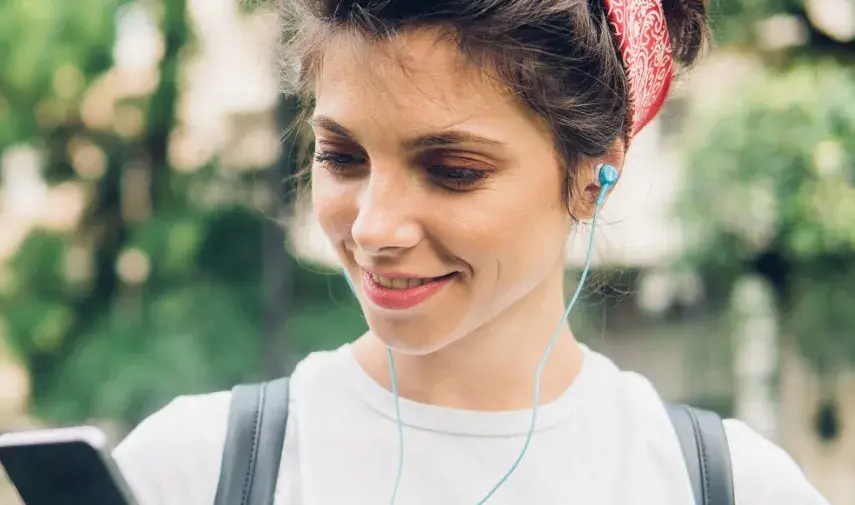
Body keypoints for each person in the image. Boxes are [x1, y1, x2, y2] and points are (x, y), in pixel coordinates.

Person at [110, 0, 830, 503]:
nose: (373, 228)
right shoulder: (185, 471)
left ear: (592, 175)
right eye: (342, 156)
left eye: (453, 170)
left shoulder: (728, 485)